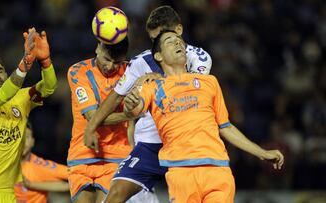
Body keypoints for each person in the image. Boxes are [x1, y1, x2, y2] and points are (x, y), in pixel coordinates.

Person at [123, 30, 284, 202]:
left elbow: (226, 127)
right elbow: (134, 109)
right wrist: (130, 103)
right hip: (181, 173)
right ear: (159, 56)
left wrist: (262, 153)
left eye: (179, 40)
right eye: (170, 41)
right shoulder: (153, 86)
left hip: (217, 170)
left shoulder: (210, 82)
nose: (178, 43)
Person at [84, 6, 212, 202]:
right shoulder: (141, 61)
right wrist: (91, 128)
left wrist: (157, 83)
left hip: (184, 142)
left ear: (178, 31)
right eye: (153, 40)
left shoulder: (199, 58)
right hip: (150, 143)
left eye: (161, 37)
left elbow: (189, 93)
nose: (156, 45)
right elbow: (116, 95)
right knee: (116, 193)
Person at [0, 28, 57, 202]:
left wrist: (45, 61)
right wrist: (24, 65)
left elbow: (49, 87)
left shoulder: (22, 98)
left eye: (0, 71)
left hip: (6, 191)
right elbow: (3, 94)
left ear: (6, 74)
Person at [67, 35, 133, 202]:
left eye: (117, 62)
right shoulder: (77, 71)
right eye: (107, 59)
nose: (110, 66)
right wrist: (128, 115)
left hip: (116, 154)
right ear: (98, 48)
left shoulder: (131, 70)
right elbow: (93, 117)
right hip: (82, 153)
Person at [14, 122, 69, 203]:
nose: (22, 142)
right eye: (18, 137)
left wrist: (31, 185)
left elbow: (73, 176)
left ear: (32, 142)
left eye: (27, 137)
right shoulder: (2, 163)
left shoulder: (41, 166)